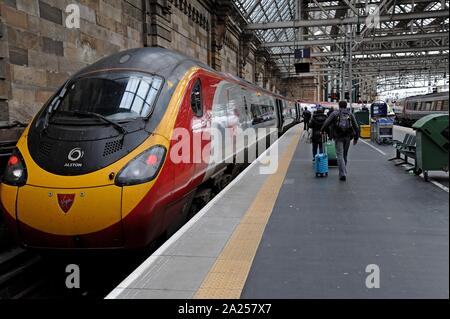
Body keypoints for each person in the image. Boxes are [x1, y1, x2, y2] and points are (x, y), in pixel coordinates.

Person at [321, 101, 360, 181]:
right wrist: (356, 138)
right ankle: (343, 171)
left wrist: (322, 130)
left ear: (339, 106)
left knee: (339, 155)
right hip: (348, 137)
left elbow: (326, 123)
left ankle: (342, 173)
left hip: (338, 137)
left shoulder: (335, 114)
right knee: (344, 155)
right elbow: (356, 127)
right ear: (346, 106)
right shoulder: (350, 114)